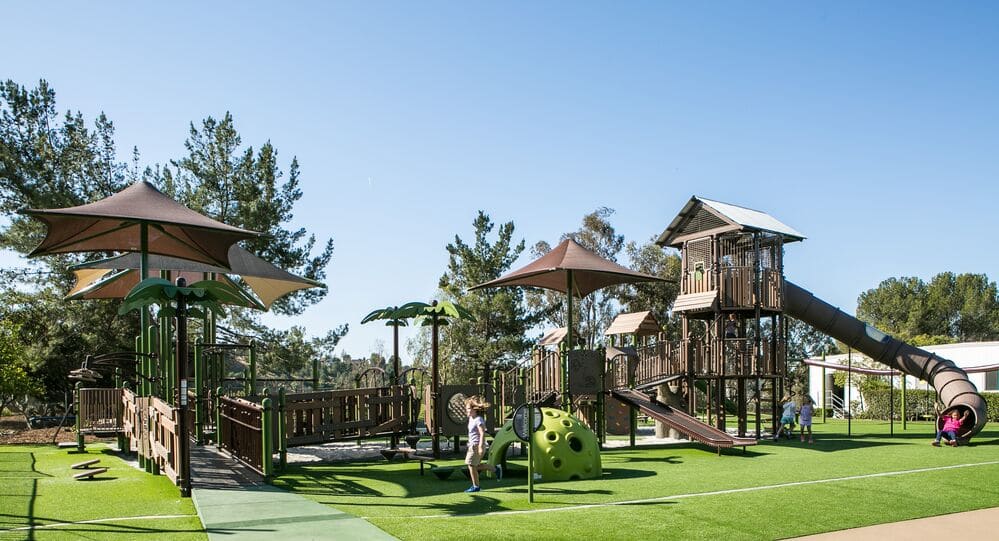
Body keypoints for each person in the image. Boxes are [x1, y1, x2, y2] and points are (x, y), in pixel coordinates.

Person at [464, 396, 502, 492]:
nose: (466, 410)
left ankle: (476, 487)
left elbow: (482, 433)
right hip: (472, 445)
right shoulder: (471, 419)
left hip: (477, 445)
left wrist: (480, 446)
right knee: (475, 465)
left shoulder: (479, 420)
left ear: (474, 409)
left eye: (468, 408)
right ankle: (495, 469)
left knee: (471, 465)